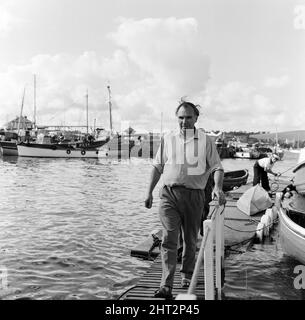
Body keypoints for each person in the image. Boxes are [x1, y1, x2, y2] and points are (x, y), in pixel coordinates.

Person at [144, 101, 225, 299]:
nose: (184, 121)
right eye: (181, 117)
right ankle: (166, 286)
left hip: (194, 196)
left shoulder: (206, 141)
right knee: (169, 239)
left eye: (188, 117)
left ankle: (187, 274)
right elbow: (157, 166)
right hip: (169, 195)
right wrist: (148, 192)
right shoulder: (168, 138)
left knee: (189, 239)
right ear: (176, 118)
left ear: (196, 118)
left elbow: (217, 168)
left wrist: (217, 187)